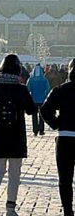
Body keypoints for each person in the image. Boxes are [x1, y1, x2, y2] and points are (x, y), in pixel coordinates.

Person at [0, 54, 36, 216]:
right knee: (14, 173)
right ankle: (10, 208)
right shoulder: (21, 89)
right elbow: (31, 110)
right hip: (16, 137)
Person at [41, 59, 75, 216]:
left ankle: (68, 210)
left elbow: (45, 109)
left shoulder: (61, 90)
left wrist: (56, 124)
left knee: (65, 179)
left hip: (66, 137)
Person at [27, 64, 51, 136]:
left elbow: (27, 89)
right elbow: (48, 89)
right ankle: (41, 130)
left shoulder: (30, 79)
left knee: (34, 115)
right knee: (41, 115)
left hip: (33, 99)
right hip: (42, 99)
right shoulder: (44, 79)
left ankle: (35, 130)